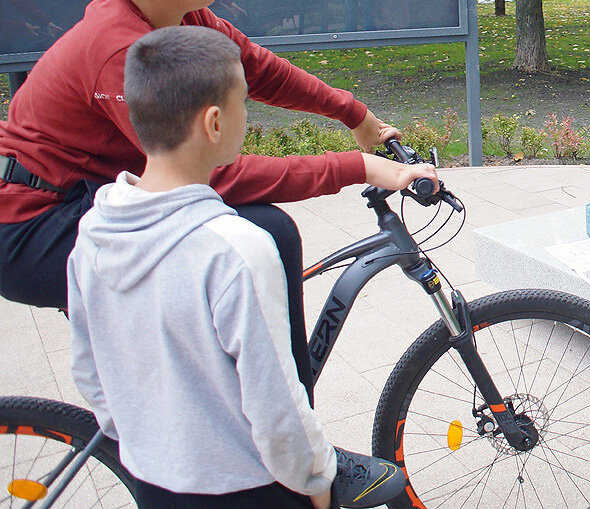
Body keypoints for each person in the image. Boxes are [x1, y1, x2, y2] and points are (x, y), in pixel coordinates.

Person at [0, 0, 436, 398]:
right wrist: (360, 168)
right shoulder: (122, 53)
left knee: (251, 250)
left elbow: (257, 69)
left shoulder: (178, 17)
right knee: (267, 234)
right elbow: (211, 177)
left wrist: (354, 113)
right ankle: (289, 424)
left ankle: (245, 414)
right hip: (37, 227)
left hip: (89, 194)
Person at [69, 26, 407, 508]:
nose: (247, 116)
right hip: (247, 487)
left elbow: (89, 368)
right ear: (214, 123)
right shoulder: (236, 249)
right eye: (243, 104)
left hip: (151, 479)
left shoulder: (93, 233)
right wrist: (316, 484)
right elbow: (277, 405)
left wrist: (145, 445)